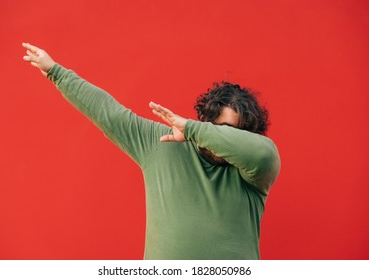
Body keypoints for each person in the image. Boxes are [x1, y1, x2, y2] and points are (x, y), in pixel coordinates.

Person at [22, 42, 281, 260]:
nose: (226, 140)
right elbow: (109, 113)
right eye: (221, 129)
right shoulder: (160, 142)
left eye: (236, 134)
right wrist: (55, 72)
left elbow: (264, 153)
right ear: (206, 120)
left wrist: (192, 129)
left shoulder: (253, 173)